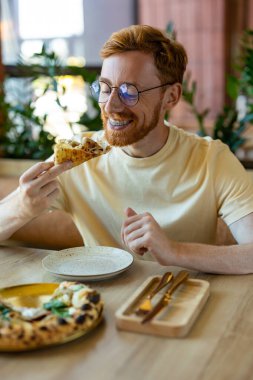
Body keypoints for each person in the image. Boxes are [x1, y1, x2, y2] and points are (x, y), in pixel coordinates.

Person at [1, 24, 253, 274]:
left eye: (128, 91)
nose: (111, 105)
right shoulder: (79, 156)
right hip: (98, 305)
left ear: (171, 97)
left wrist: (174, 251)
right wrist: (22, 207)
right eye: (105, 87)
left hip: (186, 303)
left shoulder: (211, 159)